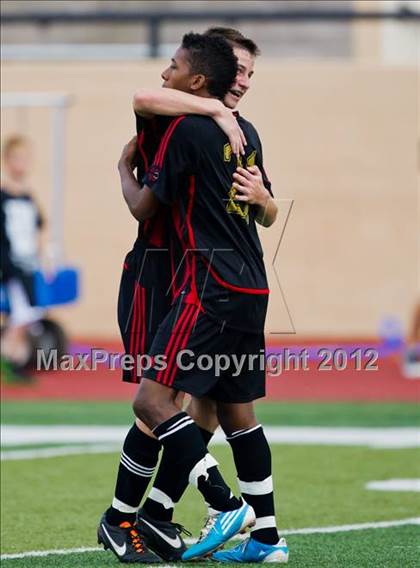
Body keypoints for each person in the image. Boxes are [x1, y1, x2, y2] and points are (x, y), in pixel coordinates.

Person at [118, 30, 288, 563]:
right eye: (239, 70)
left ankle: (210, 504)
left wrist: (265, 198)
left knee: (153, 402)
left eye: (251, 75)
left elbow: (145, 206)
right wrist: (216, 112)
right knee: (230, 411)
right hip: (249, 285)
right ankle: (265, 539)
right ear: (216, 74)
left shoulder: (189, 130)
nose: (244, 82)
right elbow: (147, 97)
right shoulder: (238, 127)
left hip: (198, 283)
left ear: (195, 75)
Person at [0, 135, 44, 373]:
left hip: (29, 263)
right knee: (22, 313)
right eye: (17, 158)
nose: (22, 164)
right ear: (7, 161)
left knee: (27, 315)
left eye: (25, 159)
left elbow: (38, 228)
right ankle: (11, 359)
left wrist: (43, 259)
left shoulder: (28, 197)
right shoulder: (3, 195)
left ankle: (15, 360)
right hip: (11, 264)